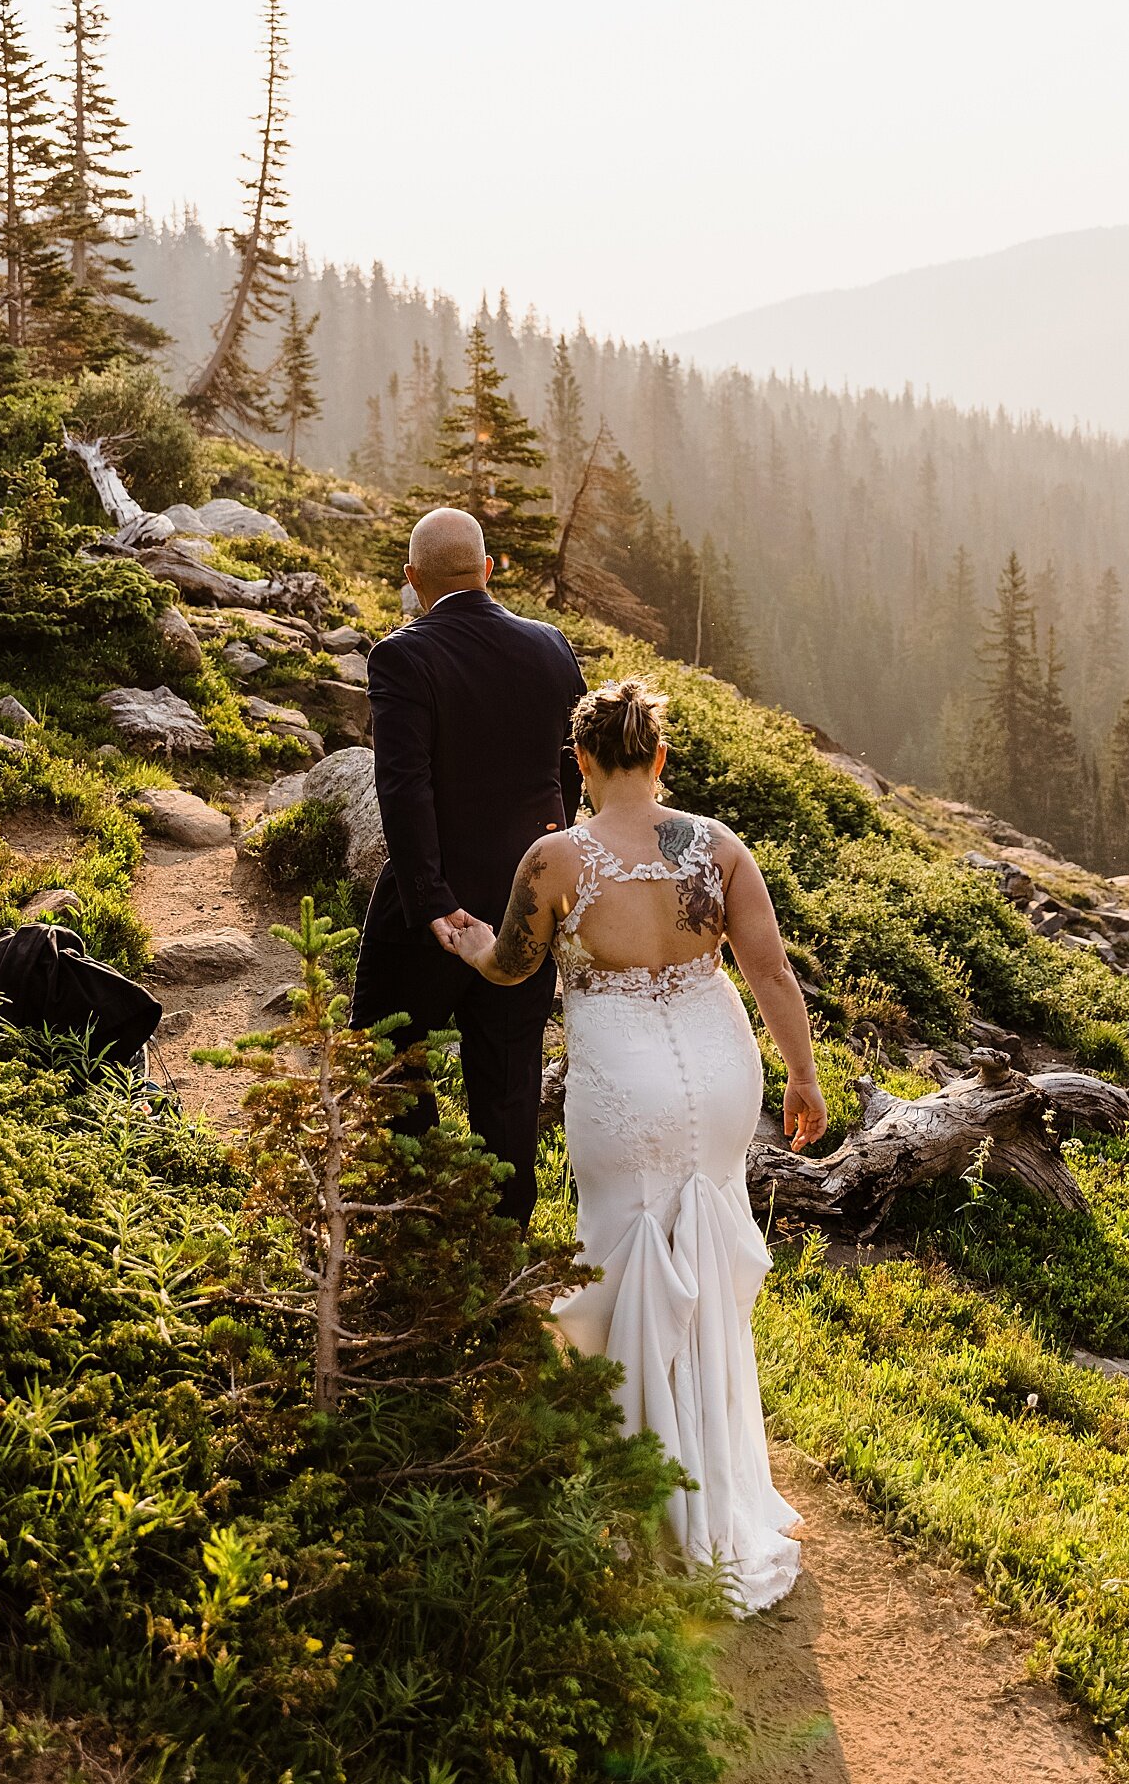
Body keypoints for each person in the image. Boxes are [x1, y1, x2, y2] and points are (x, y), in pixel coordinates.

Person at [443, 675, 827, 1613]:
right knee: (704, 1251)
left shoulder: (557, 858)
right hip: (721, 1061)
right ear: (658, 758)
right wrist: (803, 1076)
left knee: (624, 1257)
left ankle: (636, 1484)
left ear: (580, 762)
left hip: (623, 1078)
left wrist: (467, 944)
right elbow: (769, 969)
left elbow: (514, 966)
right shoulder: (718, 846)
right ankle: (717, 1476)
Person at [352, 506, 586, 1228]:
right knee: (510, 1078)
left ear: (413, 579)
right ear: (487, 571)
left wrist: (430, 900)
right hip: (526, 905)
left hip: (433, 907)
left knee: (389, 1047)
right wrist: (547, 874)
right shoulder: (552, 648)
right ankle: (504, 1234)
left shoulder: (402, 655)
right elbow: (568, 772)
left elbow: (404, 785)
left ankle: (411, 1210)